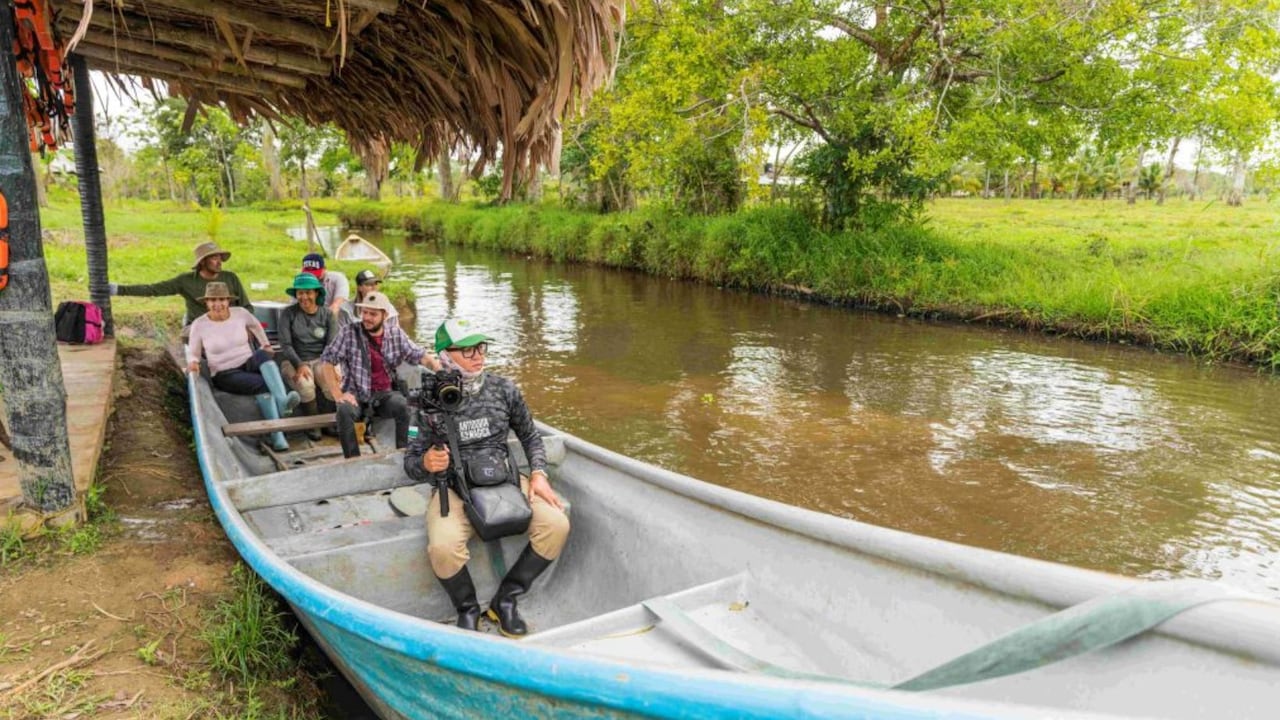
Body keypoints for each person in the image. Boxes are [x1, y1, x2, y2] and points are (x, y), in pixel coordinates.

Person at [403, 319, 569, 636]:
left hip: (504, 481)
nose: (478, 355)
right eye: (467, 350)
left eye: (481, 347)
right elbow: (410, 463)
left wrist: (538, 473)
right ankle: (467, 608)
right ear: (446, 356)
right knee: (443, 548)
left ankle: (505, 600)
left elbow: (531, 437)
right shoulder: (427, 401)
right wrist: (427, 462)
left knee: (557, 525)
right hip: (452, 488)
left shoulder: (504, 389)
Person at [318, 291, 438, 458]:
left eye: (373, 314)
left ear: (385, 315)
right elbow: (327, 361)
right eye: (364, 312)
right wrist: (338, 394)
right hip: (356, 394)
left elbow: (421, 356)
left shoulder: (396, 334)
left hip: (384, 394)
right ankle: (352, 459)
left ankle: (405, 455)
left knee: (405, 407)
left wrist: (441, 371)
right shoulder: (348, 332)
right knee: (344, 411)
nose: (366, 317)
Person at [185, 282, 299, 451]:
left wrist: (265, 344)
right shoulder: (199, 325)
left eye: (222, 299)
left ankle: (282, 401)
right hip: (225, 372)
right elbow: (193, 352)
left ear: (228, 301)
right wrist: (193, 363)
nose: (218, 304)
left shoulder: (240, 314)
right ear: (206, 303)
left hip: (247, 362)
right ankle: (278, 436)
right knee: (263, 384)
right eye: (213, 300)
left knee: (262, 354)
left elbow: (256, 326)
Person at [111, 241, 253, 325]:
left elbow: (246, 307)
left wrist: (242, 325)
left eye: (220, 258)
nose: (219, 262)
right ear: (203, 261)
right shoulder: (186, 281)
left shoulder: (230, 278)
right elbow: (153, 289)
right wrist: (119, 289)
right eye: (214, 258)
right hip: (201, 327)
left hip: (229, 326)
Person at [278, 273, 340, 440]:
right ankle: (313, 426)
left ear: (317, 293)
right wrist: (300, 364)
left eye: (308, 292)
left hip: (323, 358)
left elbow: (331, 345)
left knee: (330, 381)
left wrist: (329, 367)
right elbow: (286, 345)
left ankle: (330, 422)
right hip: (295, 359)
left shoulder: (327, 315)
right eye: (300, 293)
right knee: (305, 385)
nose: (304, 297)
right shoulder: (288, 314)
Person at [301, 253, 351, 324]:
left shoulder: (338, 279)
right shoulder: (301, 281)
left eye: (315, 274)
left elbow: (337, 305)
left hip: (337, 322)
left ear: (324, 269)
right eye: (309, 274)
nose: (313, 278)